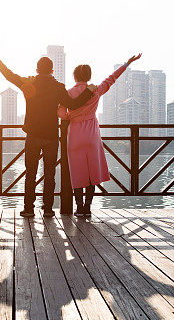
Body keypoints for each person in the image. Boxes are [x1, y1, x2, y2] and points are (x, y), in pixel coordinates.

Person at [0, 43, 97, 218]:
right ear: (52, 71)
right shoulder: (59, 87)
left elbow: (9, 76)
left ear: (37, 70)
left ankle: (29, 209)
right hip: (51, 137)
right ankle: (47, 209)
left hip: (33, 135)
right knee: (49, 174)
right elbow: (74, 105)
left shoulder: (29, 82)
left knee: (30, 173)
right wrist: (89, 92)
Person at [58, 53, 142, 215]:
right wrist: (127, 63)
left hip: (75, 134)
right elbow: (111, 79)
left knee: (77, 171)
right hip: (91, 134)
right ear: (89, 77)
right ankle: (88, 207)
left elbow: (61, 113)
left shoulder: (69, 93)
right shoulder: (95, 90)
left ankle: (79, 207)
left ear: (75, 77)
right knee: (91, 172)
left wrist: (70, 116)